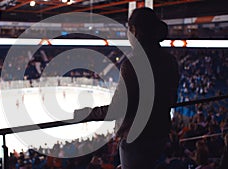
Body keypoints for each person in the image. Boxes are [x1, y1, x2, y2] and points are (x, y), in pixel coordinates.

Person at [74, 7, 179, 169]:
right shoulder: (170, 60)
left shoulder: (134, 64)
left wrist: (87, 113)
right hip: (160, 133)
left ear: (134, 30)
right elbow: (171, 99)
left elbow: (118, 108)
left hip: (137, 140)